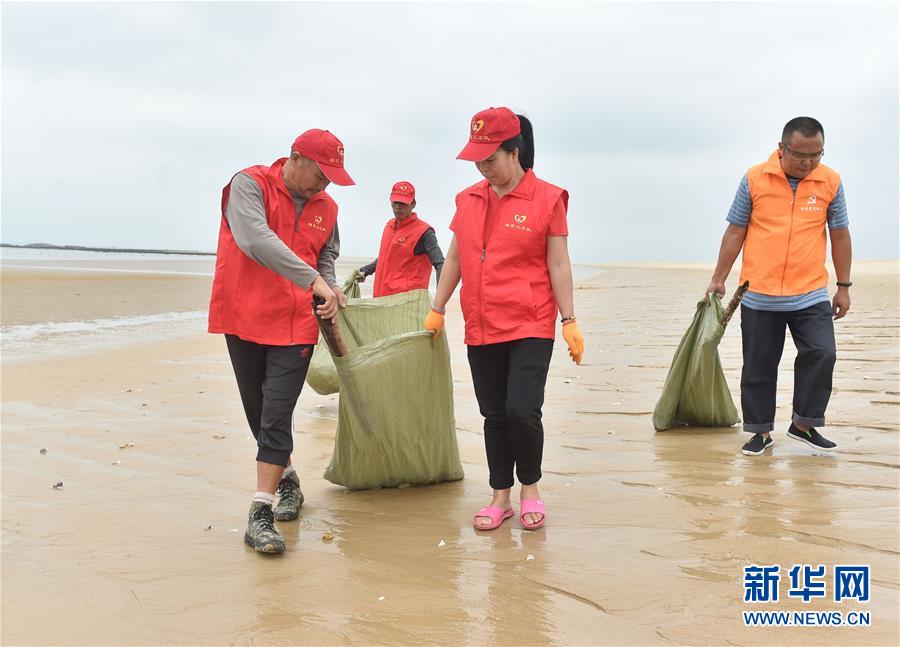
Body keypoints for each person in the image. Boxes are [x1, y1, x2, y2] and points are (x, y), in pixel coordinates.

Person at [424, 106, 584, 531]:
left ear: (515, 152)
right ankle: (500, 496)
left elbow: (559, 264)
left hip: (529, 322)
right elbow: (456, 256)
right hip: (480, 322)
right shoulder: (469, 199)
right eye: (478, 160)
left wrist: (569, 320)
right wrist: (437, 308)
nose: (483, 168)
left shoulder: (548, 198)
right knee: (494, 413)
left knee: (522, 409)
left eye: (491, 159)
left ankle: (530, 489)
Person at [208, 129, 354, 553]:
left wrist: (328, 287)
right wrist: (314, 280)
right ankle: (288, 480)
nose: (325, 185)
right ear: (295, 157)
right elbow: (255, 239)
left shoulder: (329, 206)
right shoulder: (248, 185)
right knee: (258, 411)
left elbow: (325, 254)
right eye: (321, 175)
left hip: (295, 324)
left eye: (332, 178)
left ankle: (260, 512)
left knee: (277, 412)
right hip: (244, 315)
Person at [705, 116, 852, 457]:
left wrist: (843, 286)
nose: (808, 162)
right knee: (758, 366)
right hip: (760, 293)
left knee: (822, 353)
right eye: (801, 154)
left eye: (816, 154)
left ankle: (803, 424)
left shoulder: (830, 181)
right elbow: (735, 231)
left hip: (810, 291)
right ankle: (760, 433)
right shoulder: (755, 178)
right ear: (782, 148)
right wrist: (718, 277)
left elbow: (840, 234)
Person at [356, 181, 444, 296]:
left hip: (406, 303)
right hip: (381, 299)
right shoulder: (389, 226)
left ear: (413, 204)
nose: (398, 207)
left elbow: (440, 263)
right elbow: (386, 257)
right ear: (391, 202)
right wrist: (365, 271)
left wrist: (440, 299)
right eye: (396, 202)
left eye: (403, 203)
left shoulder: (424, 232)